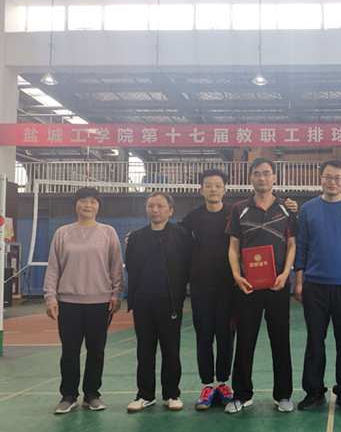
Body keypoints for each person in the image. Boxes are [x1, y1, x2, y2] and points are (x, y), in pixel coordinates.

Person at [224, 157, 297, 413]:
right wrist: (237, 275)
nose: (262, 177)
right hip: (247, 286)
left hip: (278, 284)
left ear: (274, 177)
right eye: (257, 173)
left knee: (281, 340)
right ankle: (242, 395)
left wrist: (285, 273)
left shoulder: (286, 209)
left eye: (267, 173)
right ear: (251, 178)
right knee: (245, 340)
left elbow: (292, 244)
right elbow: (233, 246)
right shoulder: (239, 209)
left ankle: (283, 395)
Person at [294, 159, 341, 412]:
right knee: (315, 341)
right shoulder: (308, 209)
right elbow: (302, 246)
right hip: (314, 285)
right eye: (328, 176)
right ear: (320, 179)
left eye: (337, 177)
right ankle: (314, 391)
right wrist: (299, 281)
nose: (332, 181)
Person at [44, 187, 125, 414]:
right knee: (69, 351)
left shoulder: (108, 232)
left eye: (92, 201)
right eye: (83, 201)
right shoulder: (62, 233)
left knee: (96, 351)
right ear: (75, 204)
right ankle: (68, 395)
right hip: (68, 303)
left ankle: (92, 395)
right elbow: (53, 268)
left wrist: (116, 294)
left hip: (100, 303)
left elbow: (116, 267)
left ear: (98, 206)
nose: (88, 205)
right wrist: (50, 297)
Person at [125, 192, 192, 412]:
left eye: (160, 206)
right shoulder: (135, 237)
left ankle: (171, 394)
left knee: (171, 350)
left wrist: (179, 290)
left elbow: (188, 265)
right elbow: (131, 266)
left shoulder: (181, 235)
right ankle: (145, 395)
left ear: (170, 210)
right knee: (144, 350)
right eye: (151, 205)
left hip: (169, 303)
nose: (155, 210)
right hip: (142, 302)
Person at [179, 169, 236, 410]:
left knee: (226, 334)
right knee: (204, 335)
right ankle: (207, 385)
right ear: (201, 190)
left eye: (218, 185)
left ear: (225, 189)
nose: (213, 189)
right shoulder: (193, 216)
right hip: (200, 285)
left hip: (228, 285)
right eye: (208, 185)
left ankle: (223, 383)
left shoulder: (234, 213)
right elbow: (175, 236)